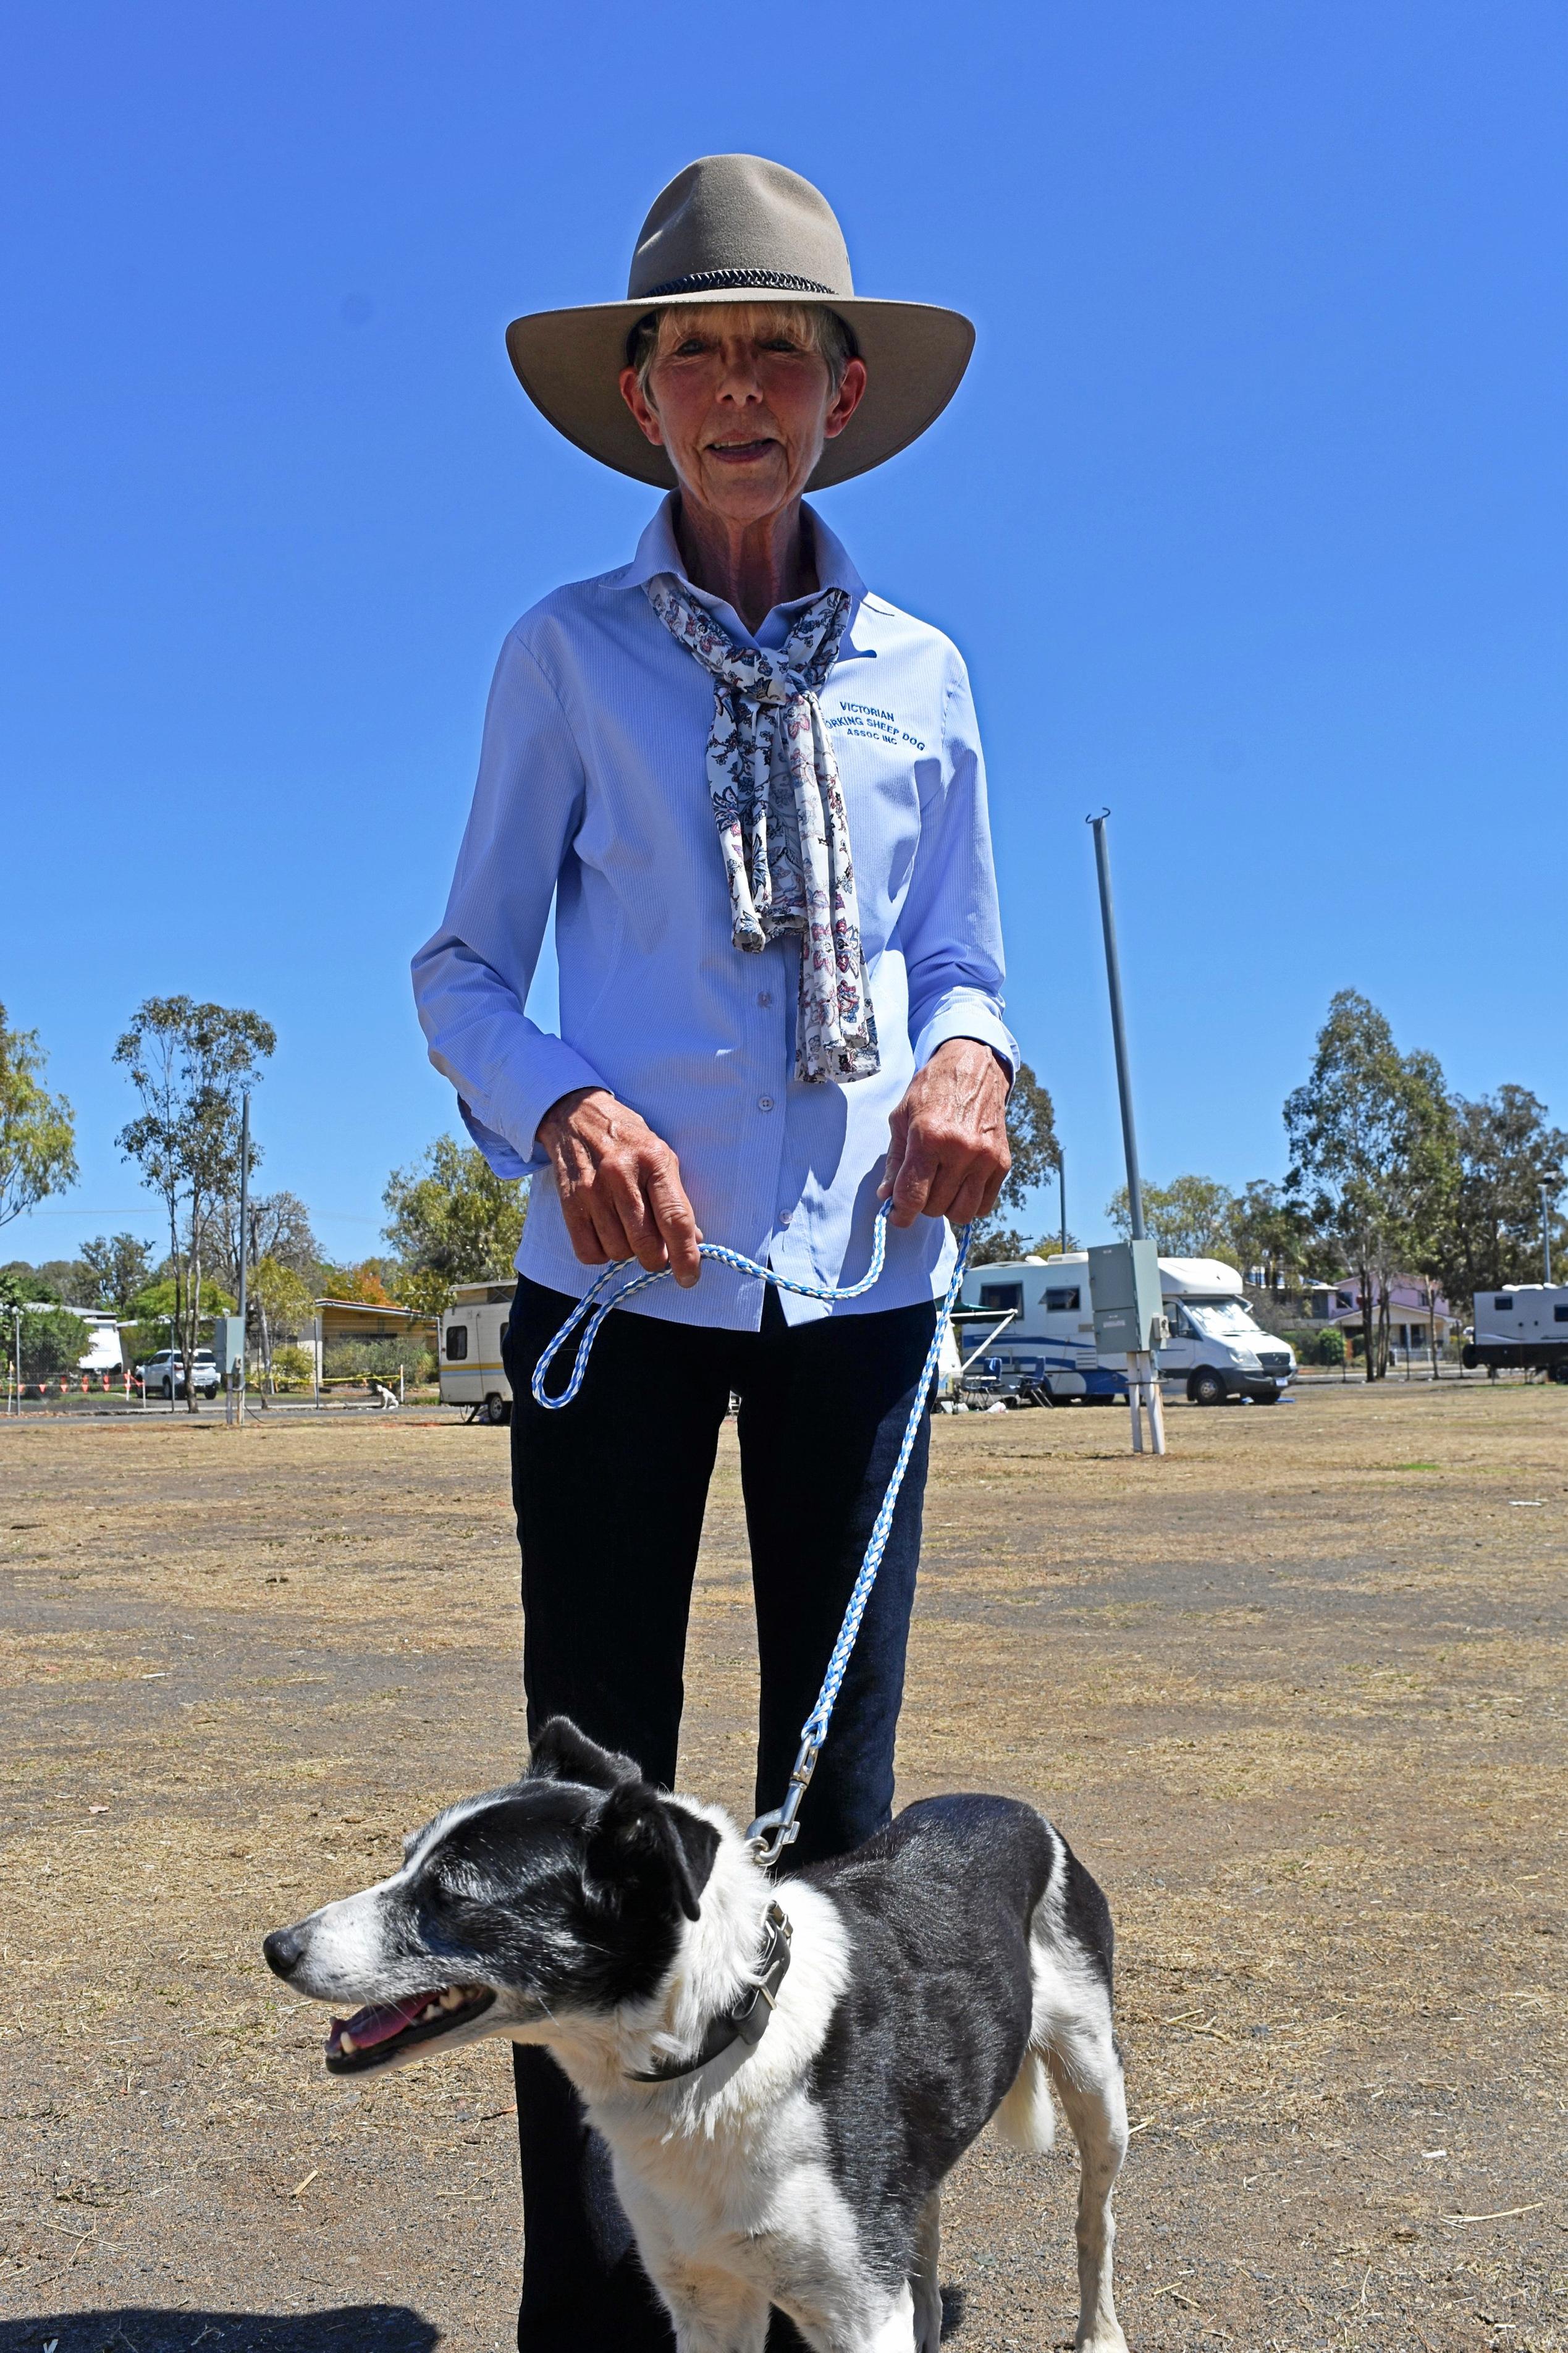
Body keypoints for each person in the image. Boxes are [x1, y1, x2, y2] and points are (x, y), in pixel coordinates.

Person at [411, 153, 1016, 2353]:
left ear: (843, 395)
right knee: (591, 1801)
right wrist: (563, 1104)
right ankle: (586, 2301)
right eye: (697, 351)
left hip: (857, 1296)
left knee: (842, 1816)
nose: (741, 386)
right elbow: (462, 967)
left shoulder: (925, 677)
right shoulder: (561, 663)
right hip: (619, 1310)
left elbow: (967, 954)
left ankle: (827, 2284)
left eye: (781, 349)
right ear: (640, 404)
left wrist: (969, 1060)